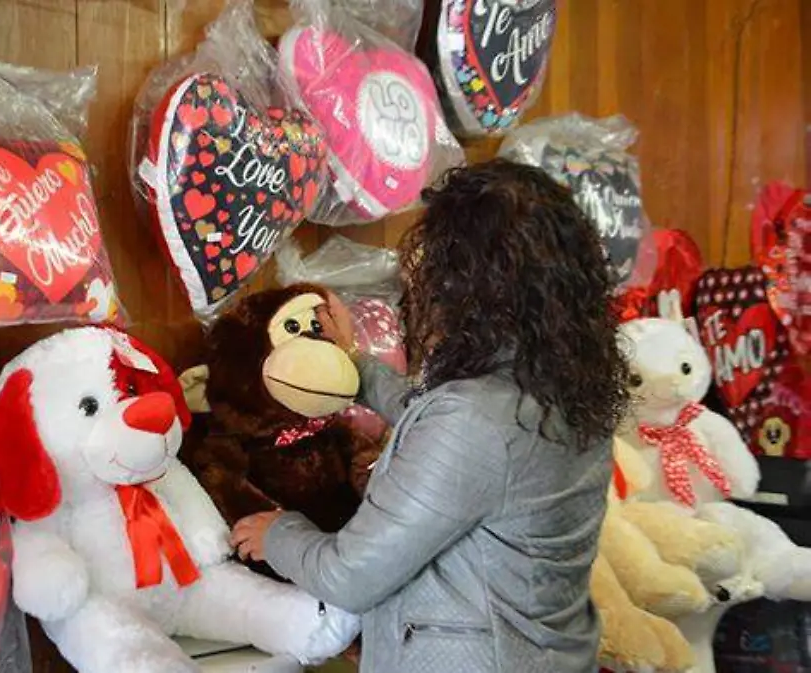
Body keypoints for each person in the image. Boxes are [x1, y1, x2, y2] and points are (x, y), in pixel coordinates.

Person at [230, 159, 631, 673]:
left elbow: (350, 576)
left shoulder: (474, 420)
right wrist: (355, 365)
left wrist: (279, 534)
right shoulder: (564, 382)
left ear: (466, 287)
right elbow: (438, 428)